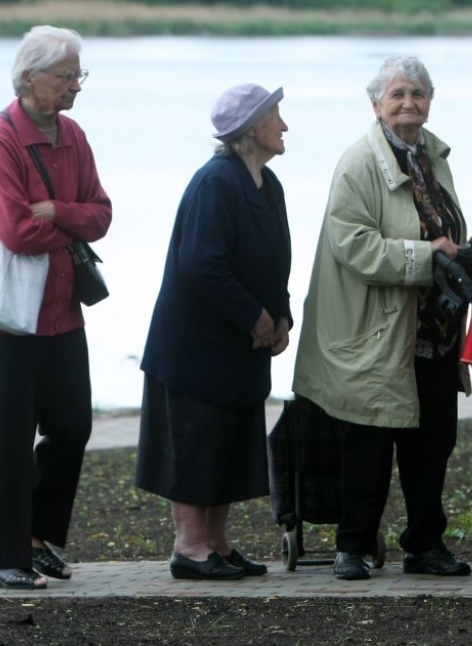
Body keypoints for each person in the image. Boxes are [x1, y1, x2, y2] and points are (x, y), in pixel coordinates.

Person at [292, 56, 472, 581]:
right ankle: (352, 547)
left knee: (432, 446)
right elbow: (353, 246)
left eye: (419, 94)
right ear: (375, 103)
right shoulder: (358, 163)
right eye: (398, 94)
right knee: (369, 446)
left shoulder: (433, 154)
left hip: (434, 331)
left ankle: (425, 546)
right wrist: (429, 255)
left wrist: (471, 248)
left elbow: (440, 227)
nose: (410, 103)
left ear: (431, 100)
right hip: (378, 329)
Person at [0, 25, 112, 590]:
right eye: (66, 76)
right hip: (7, 315)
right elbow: (15, 231)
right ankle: (7, 559)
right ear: (29, 78)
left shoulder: (73, 135)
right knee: (12, 437)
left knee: (73, 425)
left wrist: (54, 208)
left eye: (79, 75)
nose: (76, 86)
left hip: (62, 310)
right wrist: (60, 216)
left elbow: (101, 214)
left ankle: (39, 537)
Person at [136, 83, 292, 580]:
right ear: (250, 130)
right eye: (276, 117)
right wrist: (253, 316)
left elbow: (276, 262)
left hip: (240, 347)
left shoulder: (269, 184)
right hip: (196, 348)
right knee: (198, 443)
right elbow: (202, 263)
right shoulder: (215, 182)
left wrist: (282, 314)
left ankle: (218, 543)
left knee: (229, 442)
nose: (284, 126)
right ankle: (191, 547)